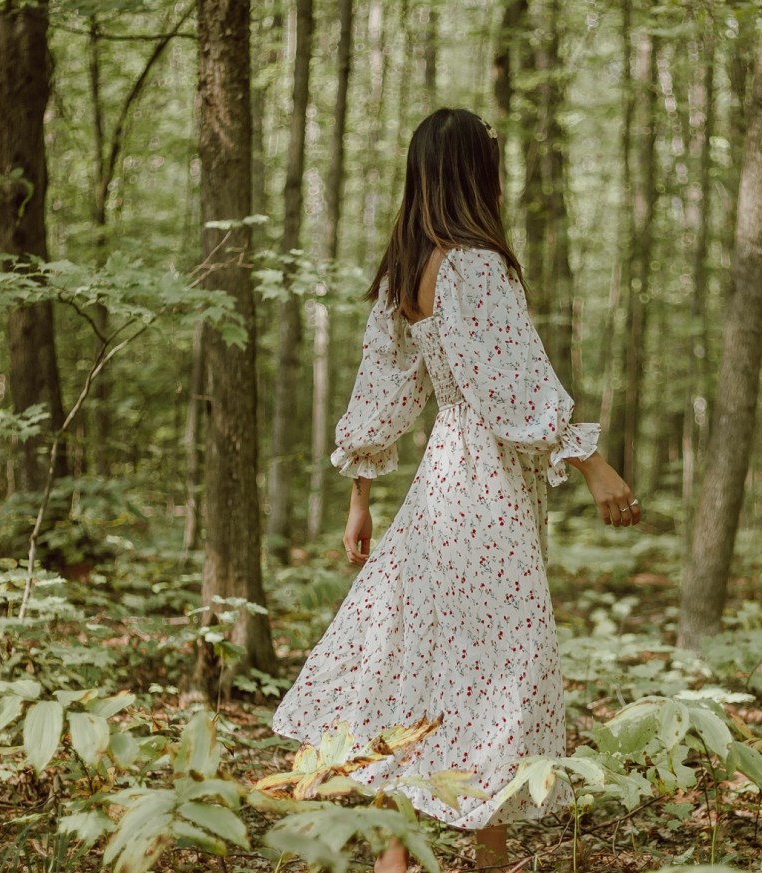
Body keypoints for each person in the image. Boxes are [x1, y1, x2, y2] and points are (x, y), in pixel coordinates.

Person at [272, 107, 640, 873]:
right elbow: (513, 388)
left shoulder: (409, 270)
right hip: (486, 491)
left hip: (440, 486)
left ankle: (394, 860)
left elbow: (383, 389)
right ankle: (487, 861)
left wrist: (362, 494)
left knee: (420, 665)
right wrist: (590, 460)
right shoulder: (475, 265)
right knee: (500, 671)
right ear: (475, 173)